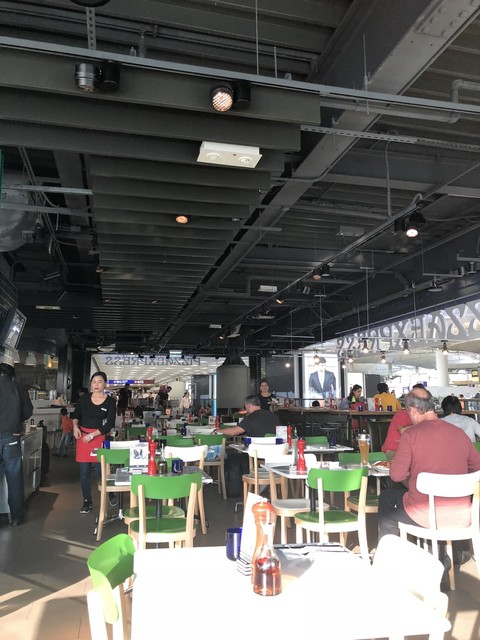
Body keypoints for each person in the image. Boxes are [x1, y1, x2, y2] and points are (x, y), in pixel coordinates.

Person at [378, 388, 480, 542]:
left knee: (387, 497)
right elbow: (477, 468)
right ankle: (452, 552)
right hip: (463, 515)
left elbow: (396, 475)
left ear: (413, 411)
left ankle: (389, 552)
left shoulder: (411, 434)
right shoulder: (459, 433)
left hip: (425, 515)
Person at [71, 371, 116, 514]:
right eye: (94, 382)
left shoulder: (110, 401)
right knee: (84, 472)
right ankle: (86, 500)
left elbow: (109, 424)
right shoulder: (84, 399)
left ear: (105, 384)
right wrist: (75, 426)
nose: (96, 384)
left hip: (99, 437)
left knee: (101, 470)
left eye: (100, 382)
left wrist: (92, 435)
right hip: (83, 437)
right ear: (91, 384)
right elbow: (76, 415)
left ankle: (109, 492)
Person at [0, 363, 33, 526]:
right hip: (11, 437)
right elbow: (28, 412)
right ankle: (17, 517)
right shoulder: (19, 388)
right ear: (12, 375)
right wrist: (16, 420)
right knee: (14, 478)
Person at [381, 383, 426, 458]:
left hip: (412, 451)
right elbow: (403, 431)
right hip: (395, 450)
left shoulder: (421, 416)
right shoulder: (401, 414)